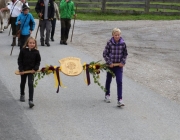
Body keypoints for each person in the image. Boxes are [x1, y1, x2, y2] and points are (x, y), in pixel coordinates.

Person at [103, 28, 128, 107]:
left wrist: (123, 62)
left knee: (119, 81)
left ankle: (120, 99)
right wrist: (109, 62)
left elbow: (125, 54)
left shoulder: (123, 43)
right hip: (111, 65)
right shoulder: (109, 43)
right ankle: (107, 94)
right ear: (113, 35)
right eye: (115, 35)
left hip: (118, 66)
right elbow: (105, 54)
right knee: (108, 80)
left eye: (118, 35)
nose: (117, 36)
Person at [18, 36, 41, 108]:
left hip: (31, 71)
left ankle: (31, 100)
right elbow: (20, 60)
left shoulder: (36, 52)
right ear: (27, 43)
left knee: (30, 84)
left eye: (33, 43)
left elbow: (38, 61)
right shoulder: (23, 50)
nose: (32, 44)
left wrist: (35, 69)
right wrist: (21, 69)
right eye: (30, 43)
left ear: (35, 44)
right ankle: (22, 94)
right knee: (23, 82)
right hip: (24, 70)